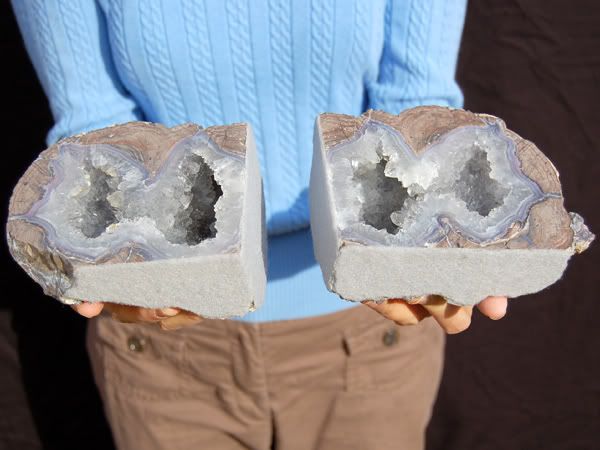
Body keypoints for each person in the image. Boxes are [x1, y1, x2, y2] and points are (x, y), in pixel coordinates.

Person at [12, 1, 507, 448]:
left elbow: (415, 107)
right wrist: (119, 268)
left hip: (364, 327)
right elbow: (93, 133)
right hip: (165, 346)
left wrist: (433, 251)